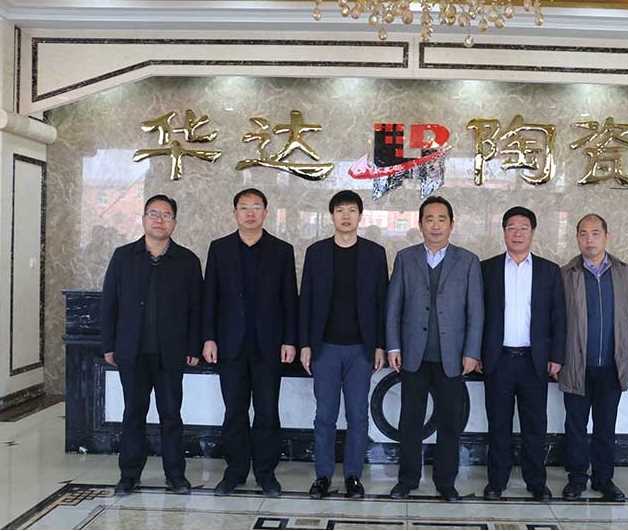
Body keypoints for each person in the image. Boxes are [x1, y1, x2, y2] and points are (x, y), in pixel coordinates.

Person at [101, 194, 202, 496]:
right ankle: (129, 475)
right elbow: (110, 303)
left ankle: (176, 476)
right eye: (153, 214)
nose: (159, 220)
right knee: (133, 413)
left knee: (171, 415)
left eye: (166, 215)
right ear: (144, 219)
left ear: (174, 222)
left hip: (171, 353)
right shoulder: (123, 257)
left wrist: (193, 347)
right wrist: (109, 345)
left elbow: (196, 308)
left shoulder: (187, 260)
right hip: (132, 351)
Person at [386, 196, 484, 502]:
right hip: (413, 355)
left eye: (442, 219)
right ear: (420, 224)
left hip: (452, 357)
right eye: (429, 219)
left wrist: (472, 351)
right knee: (410, 421)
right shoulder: (405, 258)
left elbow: (476, 311)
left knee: (450, 423)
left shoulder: (468, 261)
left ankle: (446, 482)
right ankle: (407, 479)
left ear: (452, 224)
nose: (435, 225)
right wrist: (393, 346)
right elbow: (393, 307)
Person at [202, 188, 298, 497]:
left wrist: (290, 340)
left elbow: (289, 299)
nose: (250, 213)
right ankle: (235, 471)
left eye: (256, 207)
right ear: (235, 213)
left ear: (266, 213)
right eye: (244, 207)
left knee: (268, 411)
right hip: (230, 345)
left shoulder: (282, 250)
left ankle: (266, 474)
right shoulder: (219, 249)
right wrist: (208, 337)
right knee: (235, 411)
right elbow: (210, 297)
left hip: (269, 346)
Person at [299, 190, 389, 499]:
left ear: (360, 216)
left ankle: (353, 476)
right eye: (340, 210)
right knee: (324, 415)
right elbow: (306, 300)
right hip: (324, 348)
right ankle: (322, 476)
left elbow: (382, 303)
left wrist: (379, 345)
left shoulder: (375, 253)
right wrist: (305, 344)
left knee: (358, 416)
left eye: (352, 210)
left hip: (361, 350)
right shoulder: (317, 252)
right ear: (332, 216)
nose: (346, 216)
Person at [480, 206, 566, 501]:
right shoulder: (487, 269)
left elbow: (558, 317)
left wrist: (556, 356)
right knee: (498, 425)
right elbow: (477, 315)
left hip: (534, 361)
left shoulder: (549, 271)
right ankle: (496, 482)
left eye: (523, 228)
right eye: (511, 228)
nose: (517, 233)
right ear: (503, 232)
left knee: (535, 425)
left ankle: (536, 482)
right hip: (498, 360)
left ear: (532, 232)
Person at [558, 213, 628, 502]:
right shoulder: (566, 274)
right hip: (576, 364)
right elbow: (557, 320)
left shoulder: (624, 272)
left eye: (595, 233)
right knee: (575, 427)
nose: (589, 239)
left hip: (612, 366)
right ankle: (577, 479)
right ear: (577, 238)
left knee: (606, 426)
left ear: (606, 236)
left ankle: (604, 479)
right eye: (583, 233)